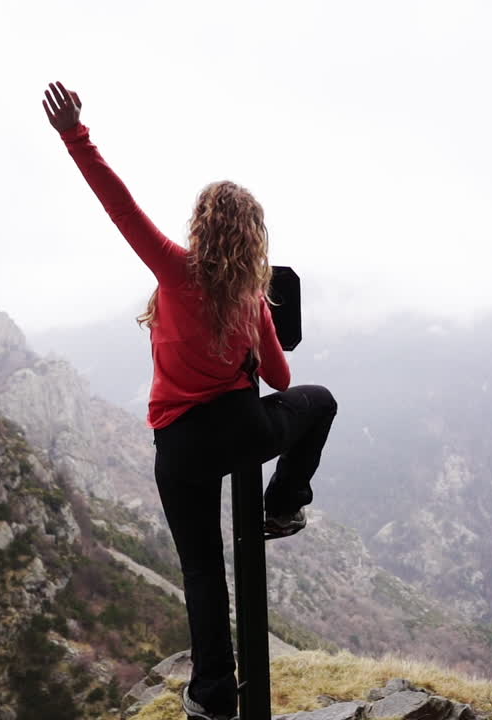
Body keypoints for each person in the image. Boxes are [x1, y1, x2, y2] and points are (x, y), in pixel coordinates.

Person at [42, 81, 338, 720]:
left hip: (179, 448)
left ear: (201, 226)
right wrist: (256, 351)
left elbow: (118, 205)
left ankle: (211, 699)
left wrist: (75, 134)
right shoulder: (253, 298)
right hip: (242, 429)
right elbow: (286, 385)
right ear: (253, 237)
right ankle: (282, 507)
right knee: (322, 402)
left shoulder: (174, 271)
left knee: (204, 573)